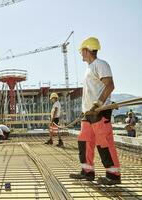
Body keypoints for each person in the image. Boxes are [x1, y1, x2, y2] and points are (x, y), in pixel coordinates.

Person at [69, 37, 121, 185]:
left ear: (87, 50)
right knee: (84, 141)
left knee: (104, 142)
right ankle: (87, 172)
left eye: (82, 51)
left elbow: (109, 85)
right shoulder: (89, 68)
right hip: (88, 113)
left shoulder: (100, 64)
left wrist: (97, 104)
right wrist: (84, 110)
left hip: (99, 111)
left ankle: (113, 175)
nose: (81, 54)